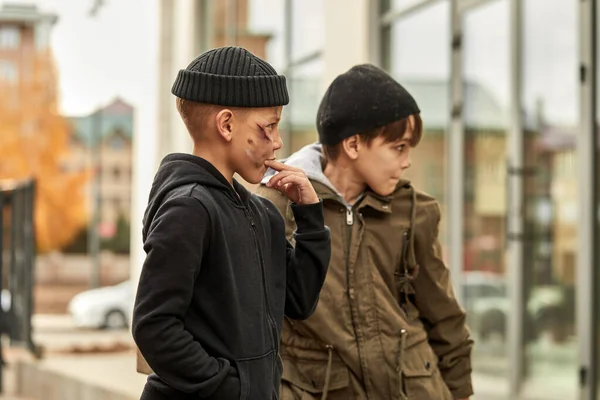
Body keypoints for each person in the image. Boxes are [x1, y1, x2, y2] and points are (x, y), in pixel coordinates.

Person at [256, 64, 473, 400]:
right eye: (399, 147)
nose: (407, 161)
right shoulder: (276, 204)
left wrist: (459, 393)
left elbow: (445, 319)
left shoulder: (414, 211)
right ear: (354, 145)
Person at [132, 46, 331, 400]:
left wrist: (311, 217)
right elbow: (154, 327)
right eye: (268, 127)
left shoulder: (262, 214)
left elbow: (299, 301)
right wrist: (232, 387)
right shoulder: (188, 209)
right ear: (226, 125)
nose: (278, 142)